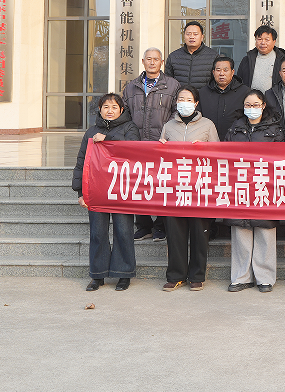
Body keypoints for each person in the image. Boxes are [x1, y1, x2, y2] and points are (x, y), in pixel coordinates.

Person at [73, 94, 140, 291]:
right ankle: (98, 275)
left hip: (122, 189)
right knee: (98, 233)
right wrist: (80, 192)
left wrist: (109, 138)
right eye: (105, 106)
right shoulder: (91, 131)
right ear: (100, 109)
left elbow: (134, 150)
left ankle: (124, 274)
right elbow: (81, 161)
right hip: (96, 189)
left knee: (124, 231)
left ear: (121, 110)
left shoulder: (129, 128)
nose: (110, 110)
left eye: (114, 106)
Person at [159, 85, 220, 291]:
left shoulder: (207, 125)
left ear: (196, 103)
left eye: (188, 99)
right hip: (175, 186)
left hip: (199, 186)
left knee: (199, 232)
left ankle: (197, 275)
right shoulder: (169, 126)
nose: (184, 103)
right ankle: (176, 275)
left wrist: (206, 149)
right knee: (175, 233)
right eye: (181, 99)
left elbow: (218, 154)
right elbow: (161, 157)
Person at [224, 90, 285, 293]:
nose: (252, 109)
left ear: (264, 105)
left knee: (265, 231)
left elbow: (282, 158)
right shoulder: (235, 129)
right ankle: (241, 276)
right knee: (240, 230)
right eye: (248, 105)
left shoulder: (275, 130)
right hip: (239, 184)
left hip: (264, 185)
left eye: (255, 104)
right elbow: (224, 154)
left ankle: (265, 277)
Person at [123, 47, 179, 243]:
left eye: (156, 59)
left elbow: (177, 112)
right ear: (143, 61)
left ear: (161, 62)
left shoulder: (172, 85)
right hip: (137, 145)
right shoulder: (131, 87)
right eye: (149, 59)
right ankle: (143, 226)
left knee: (161, 185)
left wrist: (168, 133)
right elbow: (125, 114)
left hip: (162, 144)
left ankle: (160, 226)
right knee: (139, 185)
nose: (152, 62)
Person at [199, 55, 251, 140]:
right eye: (218, 70)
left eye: (225, 70)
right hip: (208, 140)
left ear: (232, 72)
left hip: (236, 141)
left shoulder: (245, 92)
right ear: (213, 72)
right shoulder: (203, 93)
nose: (221, 73)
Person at [164, 21, 217, 88]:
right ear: (184, 36)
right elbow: (168, 82)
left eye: (195, 34)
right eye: (188, 34)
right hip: (180, 97)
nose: (192, 37)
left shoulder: (213, 56)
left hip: (204, 98)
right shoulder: (173, 56)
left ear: (202, 37)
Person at [236, 25, 285, 94]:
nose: (263, 43)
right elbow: (239, 82)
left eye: (267, 40)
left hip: (275, 102)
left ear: (274, 41)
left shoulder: (283, 60)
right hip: (252, 102)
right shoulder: (247, 60)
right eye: (259, 39)